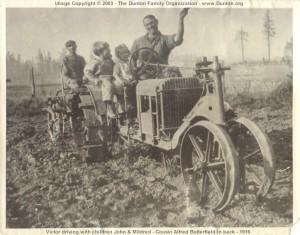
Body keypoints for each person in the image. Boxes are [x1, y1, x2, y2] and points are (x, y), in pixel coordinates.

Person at [84, 41, 117, 118]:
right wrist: (94, 79)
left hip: (111, 77)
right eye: (107, 50)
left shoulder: (109, 60)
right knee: (108, 85)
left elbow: (115, 68)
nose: (109, 51)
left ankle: (122, 106)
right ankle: (108, 107)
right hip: (101, 79)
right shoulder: (95, 61)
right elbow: (87, 71)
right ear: (100, 52)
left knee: (120, 84)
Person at [113, 44, 137, 117]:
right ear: (119, 55)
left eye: (126, 52)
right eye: (122, 53)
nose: (125, 55)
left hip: (132, 80)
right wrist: (121, 81)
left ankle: (135, 106)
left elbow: (134, 72)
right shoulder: (118, 64)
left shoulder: (130, 62)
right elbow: (115, 74)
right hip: (124, 81)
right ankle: (123, 106)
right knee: (125, 90)